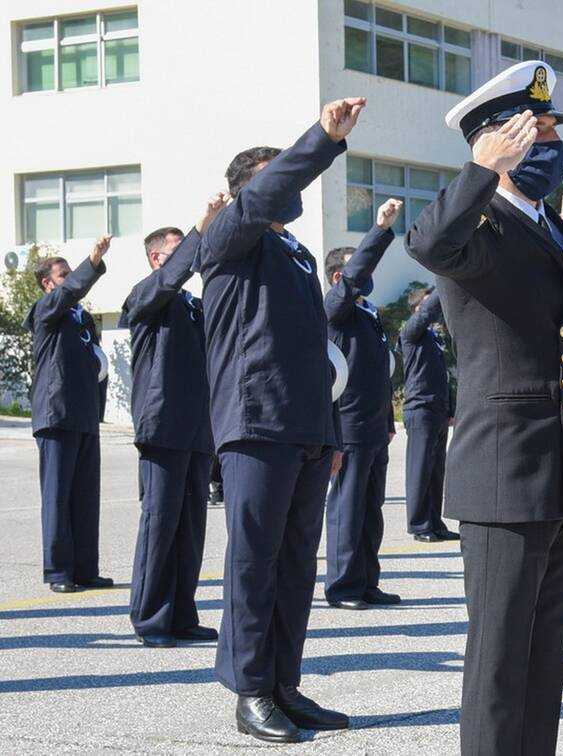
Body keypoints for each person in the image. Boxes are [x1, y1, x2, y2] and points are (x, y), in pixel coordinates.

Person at [406, 61, 563, 755]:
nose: (550, 142)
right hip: (504, 471)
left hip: (560, 474)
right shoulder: (478, 226)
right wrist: (480, 170)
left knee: (545, 655)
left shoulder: (552, 227)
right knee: (499, 658)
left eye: (551, 129)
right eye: (535, 129)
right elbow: (427, 243)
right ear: (498, 140)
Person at [200, 97, 367, 742]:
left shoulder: (295, 253)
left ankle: (283, 685)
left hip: (304, 425)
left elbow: (312, 350)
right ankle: (250, 690)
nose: (293, 192)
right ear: (250, 192)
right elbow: (266, 192)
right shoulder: (230, 235)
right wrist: (320, 139)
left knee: (296, 564)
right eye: (280, 180)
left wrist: (329, 432)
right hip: (256, 421)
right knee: (254, 562)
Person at [122, 200, 225, 648]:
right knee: (160, 524)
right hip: (162, 427)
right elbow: (171, 277)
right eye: (179, 249)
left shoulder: (193, 306)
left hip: (198, 429)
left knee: (190, 528)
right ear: (156, 257)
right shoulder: (147, 295)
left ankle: (182, 613)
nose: (189, 257)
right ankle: (150, 618)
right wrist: (200, 227)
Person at [323, 198, 404, 610]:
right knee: (347, 508)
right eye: (360, 270)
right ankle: (343, 586)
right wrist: (380, 230)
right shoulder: (334, 310)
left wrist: (388, 420)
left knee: (371, 509)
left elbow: (378, 373)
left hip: (373, 426)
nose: (368, 277)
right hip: (348, 427)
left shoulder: (368, 315)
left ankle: (367, 581)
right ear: (340, 277)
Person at [25, 236, 115, 594]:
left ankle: (85, 569)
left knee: (85, 497)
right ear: (48, 284)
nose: (70, 278)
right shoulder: (46, 310)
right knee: (58, 497)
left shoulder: (82, 319)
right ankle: (59, 571)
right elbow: (69, 292)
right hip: (56, 414)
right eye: (63, 274)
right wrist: (91, 262)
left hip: (84, 415)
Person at [400, 287, 458, 543]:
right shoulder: (410, 333)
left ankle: (434, 522)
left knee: (436, 471)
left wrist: (450, 409)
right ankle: (419, 524)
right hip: (420, 408)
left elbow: (443, 377)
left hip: (437, 409)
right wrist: (443, 282)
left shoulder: (433, 338)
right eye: (426, 306)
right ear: (416, 310)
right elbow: (425, 314)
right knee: (420, 469)